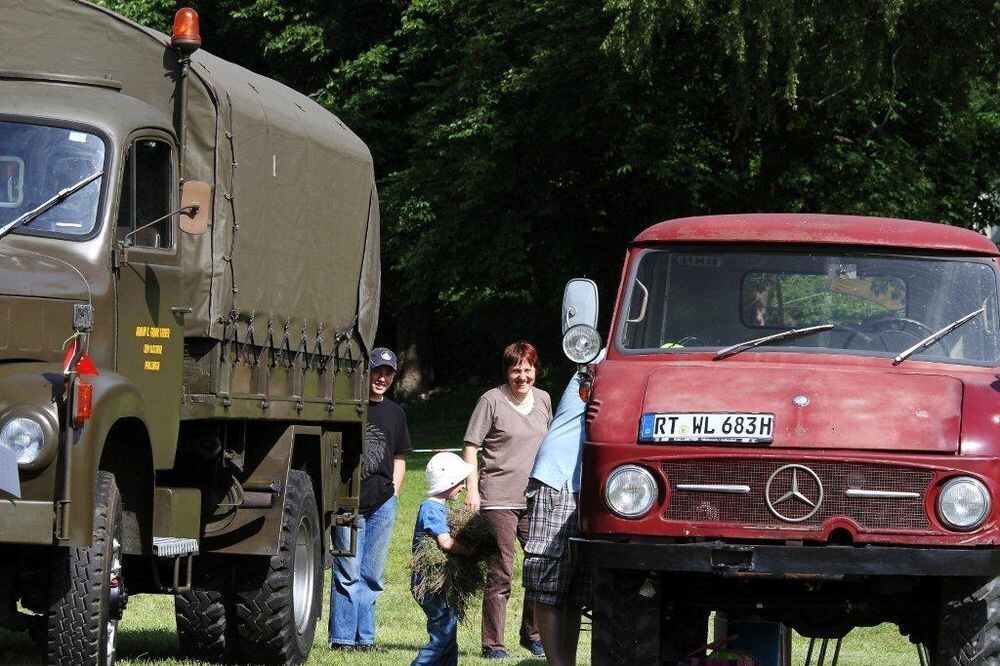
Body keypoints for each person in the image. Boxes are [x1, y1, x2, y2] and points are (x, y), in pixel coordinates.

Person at [462, 341, 552, 659]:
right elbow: (471, 446)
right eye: (516, 370)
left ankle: (532, 634)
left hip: (536, 497)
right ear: (507, 372)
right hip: (498, 497)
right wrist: (473, 489)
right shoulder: (491, 400)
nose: (522, 376)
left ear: (535, 370)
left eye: (528, 369)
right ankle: (493, 644)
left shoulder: (544, 400)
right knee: (502, 571)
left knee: (541, 566)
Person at [329, 347, 412, 651]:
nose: (381, 378)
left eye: (388, 373)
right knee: (347, 572)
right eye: (376, 371)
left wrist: (394, 492)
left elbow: (400, 455)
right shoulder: (348, 407)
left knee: (372, 575)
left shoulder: (395, 413)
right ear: (365, 372)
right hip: (348, 500)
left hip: (382, 503)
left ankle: (365, 639)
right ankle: (342, 639)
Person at [523, 355, 603, 666]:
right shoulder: (595, 363)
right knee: (549, 579)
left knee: (574, 590)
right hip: (560, 479)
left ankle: (565, 662)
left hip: (589, 485)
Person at [410, 452, 475, 666]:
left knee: (449, 628)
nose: (463, 487)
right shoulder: (432, 509)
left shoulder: (437, 507)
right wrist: (469, 551)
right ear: (449, 482)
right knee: (442, 633)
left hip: (435, 583)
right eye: (460, 482)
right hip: (429, 583)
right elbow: (445, 543)